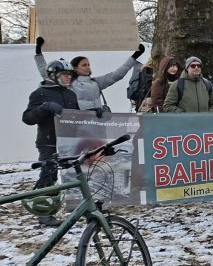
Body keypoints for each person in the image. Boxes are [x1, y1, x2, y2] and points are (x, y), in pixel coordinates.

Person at [22, 59, 80, 227]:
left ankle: (70, 206)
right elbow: (27, 118)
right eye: (65, 74)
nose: (69, 77)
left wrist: (94, 113)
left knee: (75, 175)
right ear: (53, 75)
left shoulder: (71, 94)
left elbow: (75, 116)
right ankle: (43, 211)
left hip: (68, 141)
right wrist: (45, 107)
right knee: (49, 175)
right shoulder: (39, 93)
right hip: (48, 142)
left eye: (70, 74)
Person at [35, 37, 143, 114]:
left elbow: (116, 75)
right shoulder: (68, 82)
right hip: (77, 125)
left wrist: (134, 57)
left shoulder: (96, 82)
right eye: (84, 65)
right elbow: (46, 74)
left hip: (97, 124)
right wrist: (38, 52)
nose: (88, 67)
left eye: (88, 65)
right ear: (75, 68)